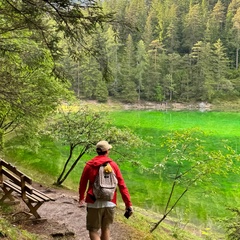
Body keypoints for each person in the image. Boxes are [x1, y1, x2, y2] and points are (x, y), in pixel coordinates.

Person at [79, 140, 133, 240]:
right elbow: (122, 185)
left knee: (93, 230)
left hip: (93, 202)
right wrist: (128, 204)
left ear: (97, 151)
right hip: (110, 202)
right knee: (106, 229)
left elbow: (82, 183)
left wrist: (81, 198)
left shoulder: (90, 165)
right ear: (107, 151)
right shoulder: (113, 165)